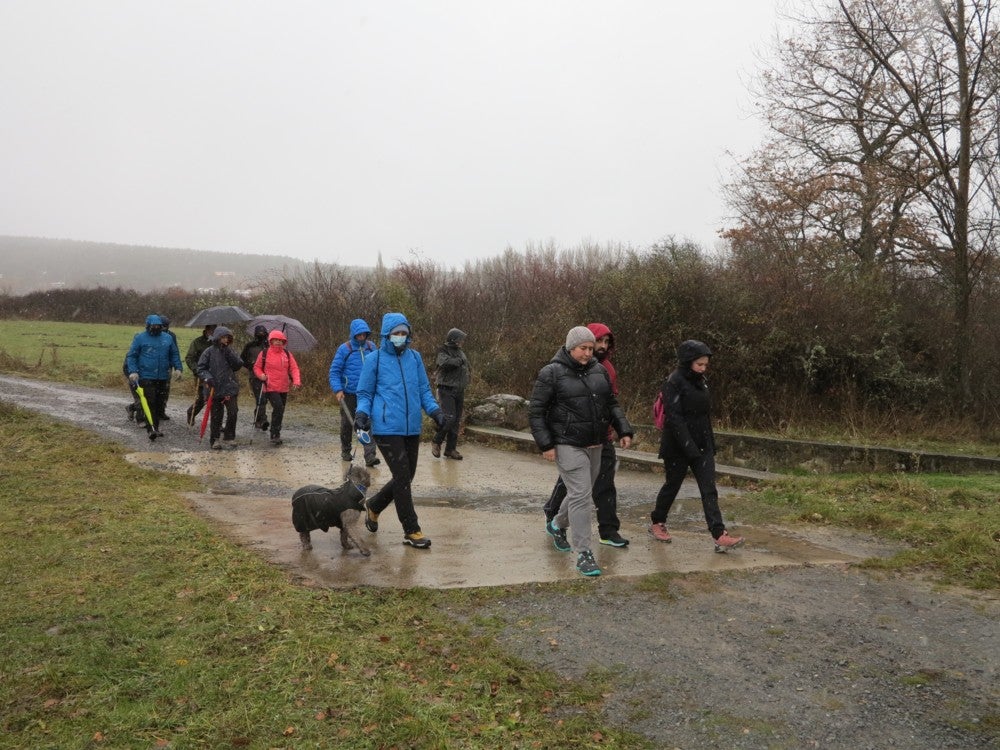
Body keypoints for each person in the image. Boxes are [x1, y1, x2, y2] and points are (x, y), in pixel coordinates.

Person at [529, 326, 633, 577]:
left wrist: (624, 429)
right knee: (582, 496)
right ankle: (584, 553)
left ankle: (556, 523)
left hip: (596, 442)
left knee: (580, 493)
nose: (589, 352)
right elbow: (536, 411)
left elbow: (611, 404)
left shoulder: (599, 370)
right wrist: (546, 444)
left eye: (590, 348)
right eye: (583, 348)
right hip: (567, 443)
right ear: (570, 348)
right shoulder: (551, 373)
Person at [354, 312, 447, 549]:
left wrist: (435, 411)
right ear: (387, 335)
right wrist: (362, 413)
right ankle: (411, 530)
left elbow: (424, 390)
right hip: (386, 427)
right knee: (403, 477)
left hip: (411, 427)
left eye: (404, 333)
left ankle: (374, 506)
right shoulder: (374, 360)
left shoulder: (414, 358)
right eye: (396, 333)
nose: (401, 337)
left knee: (405, 476)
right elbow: (364, 393)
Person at [649, 340, 745, 553]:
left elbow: (704, 416)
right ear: (687, 362)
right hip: (677, 447)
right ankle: (657, 521)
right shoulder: (673, 382)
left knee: (709, 489)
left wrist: (708, 444)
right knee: (672, 486)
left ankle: (719, 534)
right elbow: (675, 419)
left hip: (702, 445)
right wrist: (689, 447)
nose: (703, 368)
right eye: (699, 364)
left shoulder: (702, 381)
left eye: (705, 364)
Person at [328, 318, 380, 466]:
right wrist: (338, 389)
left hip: (368, 393)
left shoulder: (372, 347)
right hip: (349, 393)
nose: (362, 337)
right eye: (359, 334)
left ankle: (370, 456)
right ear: (353, 334)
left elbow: (379, 369)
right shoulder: (344, 349)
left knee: (368, 423)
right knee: (347, 423)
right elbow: (334, 372)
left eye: (364, 334)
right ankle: (346, 450)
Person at [125, 314, 183, 441]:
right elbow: (132, 356)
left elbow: (174, 354)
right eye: (154, 326)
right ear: (148, 326)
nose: (156, 328)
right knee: (150, 402)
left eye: (158, 326)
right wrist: (133, 371)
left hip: (162, 376)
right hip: (146, 376)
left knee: (159, 403)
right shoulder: (140, 338)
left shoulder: (167, 338)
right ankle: (151, 429)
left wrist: (178, 368)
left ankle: (155, 426)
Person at [196, 326, 244, 449]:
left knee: (233, 412)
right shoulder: (208, 352)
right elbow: (201, 368)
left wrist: (229, 353)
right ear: (218, 338)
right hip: (214, 388)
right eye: (223, 337)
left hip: (230, 387)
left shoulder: (230, 350)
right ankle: (215, 439)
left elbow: (238, 365)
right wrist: (207, 378)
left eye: (227, 337)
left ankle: (229, 437)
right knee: (217, 415)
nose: (226, 340)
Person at [253, 329, 301, 445]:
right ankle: (274, 434)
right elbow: (257, 367)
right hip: (270, 386)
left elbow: (294, 368)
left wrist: (296, 381)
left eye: (281, 340)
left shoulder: (287, 354)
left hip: (284, 387)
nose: (278, 342)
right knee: (278, 407)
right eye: (276, 340)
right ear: (271, 341)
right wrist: (261, 375)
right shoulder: (264, 353)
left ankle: (276, 432)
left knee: (280, 410)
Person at [431, 328, 471, 460]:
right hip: (446, 389)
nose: (462, 342)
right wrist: (457, 362)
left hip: (459, 390)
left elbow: (466, 367)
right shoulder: (443, 349)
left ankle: (450, 449)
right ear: (454, 339)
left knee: (456, 421)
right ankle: (436, 441)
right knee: (450, 418)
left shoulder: (460, 351)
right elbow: (443, 363)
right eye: (461, 339)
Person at [185, 324, 216, 426]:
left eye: (214, 330)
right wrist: (197, 369)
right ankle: (191, 412)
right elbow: (189, 358)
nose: (212, 332)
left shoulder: (218, 343)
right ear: (206, 330)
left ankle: (216, 423)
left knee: (216, 399)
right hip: (202, 375)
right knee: (203, 398)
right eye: (211, 330)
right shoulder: (197, 342)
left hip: (216, 375)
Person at [242, 325, 270, 431]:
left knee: (264, 398)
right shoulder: (249, 346)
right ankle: (262, 420)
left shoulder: (269, 346)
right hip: (254, 376)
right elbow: (242, 359)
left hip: (267, 376)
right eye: (259, 333)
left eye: (263, 333)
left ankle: (258, 417)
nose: (261, 335)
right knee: (261, 398)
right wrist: (250, 366)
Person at [157, 315, 181, 421]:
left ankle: (161, 411)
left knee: (165, 390)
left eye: (166, 326)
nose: (164, 328)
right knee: (152, 391)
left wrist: (177, 367)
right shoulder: (153, 335)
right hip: (154, 367)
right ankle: (135, 407)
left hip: (167, 367)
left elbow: (174, 352)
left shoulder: (171, 336)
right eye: (163, 326)